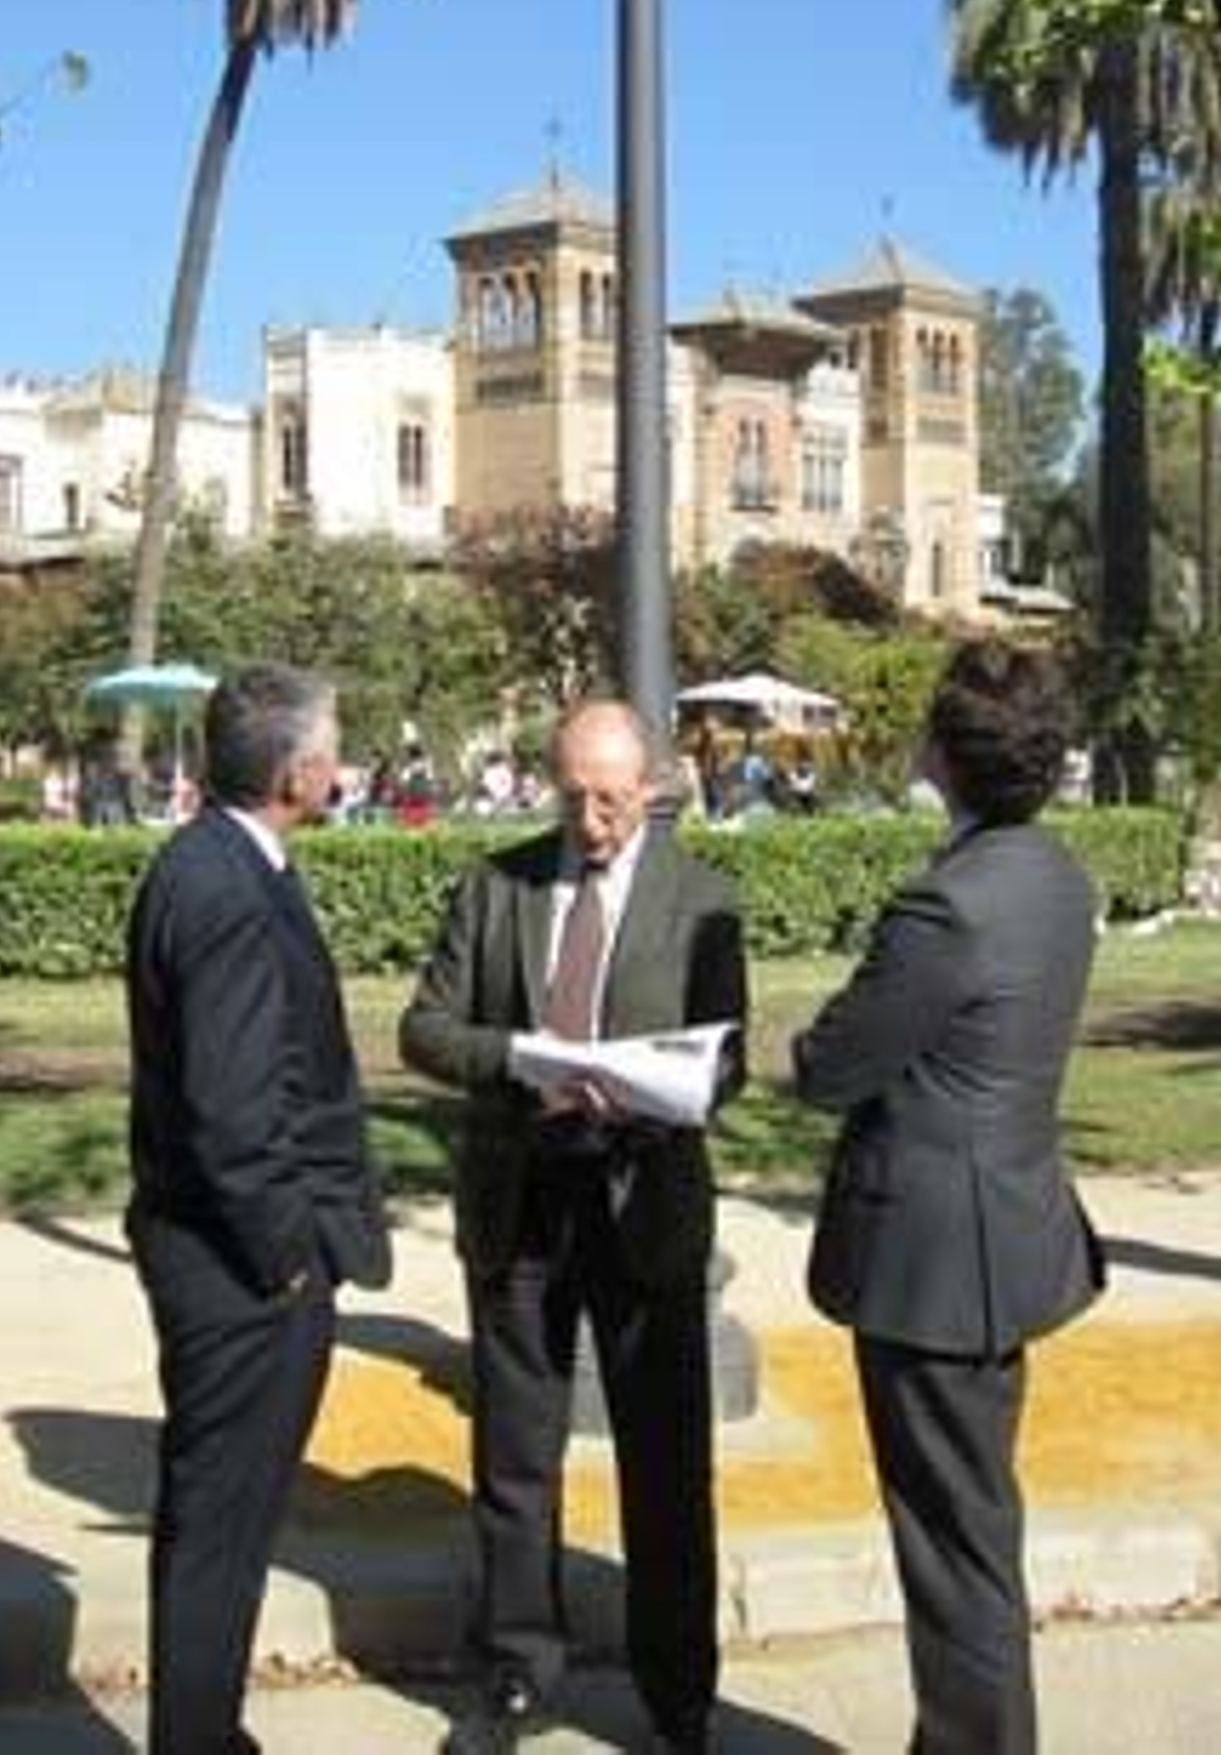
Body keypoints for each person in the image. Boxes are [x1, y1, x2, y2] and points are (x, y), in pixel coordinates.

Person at [400, 699, 747, 1755]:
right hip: (523, 1199)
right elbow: (424, 1027)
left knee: (665, 1457)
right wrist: (516, 1059)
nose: (591, 821)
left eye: (610, 798)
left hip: (644, 1202)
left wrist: (660, 1087)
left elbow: (729, 1060)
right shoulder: (496, 883)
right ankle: (516, 1671)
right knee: (516, 1452)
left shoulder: (701, 899)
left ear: (650, 786)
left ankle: (678, 1689)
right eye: (573, 797)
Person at [792, 639, 1105, 1755]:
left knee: (951, 1539)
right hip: (1006, 1234)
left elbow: (833, 1061)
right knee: (971, 1520)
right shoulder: (1058, 877)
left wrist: (804, 1041)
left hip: (934, 1260)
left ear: (941, 753)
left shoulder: (946, 905)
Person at [125, 661, 391, 1755]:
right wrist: (291, 1259)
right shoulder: (225, 887)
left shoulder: (217, 860)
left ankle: (205, 1728)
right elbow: (236, 1116)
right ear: (295, 771)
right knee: (220, 1528)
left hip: (221, 1251)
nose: (340, 762)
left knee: (216, 1522)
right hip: (241, 1270)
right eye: (330, 746)